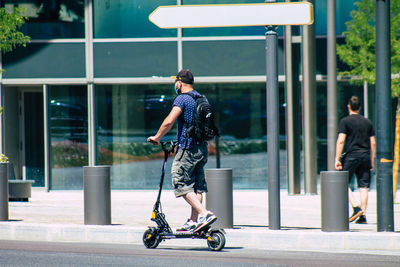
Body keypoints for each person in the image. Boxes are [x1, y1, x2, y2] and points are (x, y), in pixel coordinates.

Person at [147, 69, 217, 232]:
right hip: (202, 149)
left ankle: (203, 213)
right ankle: (194, 221)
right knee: (197, 186)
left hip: (187, 149)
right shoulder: (201, 97)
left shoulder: (183, 98)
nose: (174, 85)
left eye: (175, 82)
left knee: (180, 181)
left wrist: (157, 137)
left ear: (179, 83)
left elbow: (169, 121)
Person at [335, 96, 376, 224]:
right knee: (363, 186)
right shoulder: (367, 122)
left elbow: (341, 140)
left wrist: (337, 158)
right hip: (365, 156)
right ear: (360, 107)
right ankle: (362, 216)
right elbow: (373, 143)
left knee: (341, 182)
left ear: (348, 106)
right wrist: (371, 160)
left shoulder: (345, 121)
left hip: (352, 156)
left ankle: (356, 207)